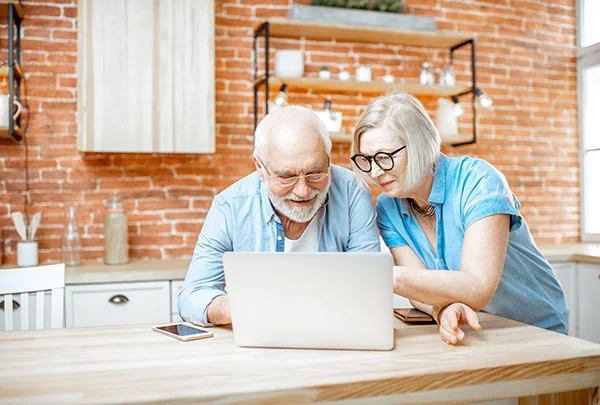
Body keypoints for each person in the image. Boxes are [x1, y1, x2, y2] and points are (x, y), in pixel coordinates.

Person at [351, 92, 568, 345]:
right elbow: (419, 290)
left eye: (385, 157)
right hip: (477, 331)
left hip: (537, 329)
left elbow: (477, 288)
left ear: (420, 144)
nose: (375, 172)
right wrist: (441, 309)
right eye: (366, 160)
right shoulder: (388, 207)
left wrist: (388, 276)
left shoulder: (479, 180)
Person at [178, 105, 381, 326]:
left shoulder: (353, 191)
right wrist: (233, 307)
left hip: (336, 332)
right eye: (286, 177)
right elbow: (192, 296)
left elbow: (368, 284)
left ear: (329, 161)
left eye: (315, 173)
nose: (303, 191)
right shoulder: (230, 207)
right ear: (259, 168)